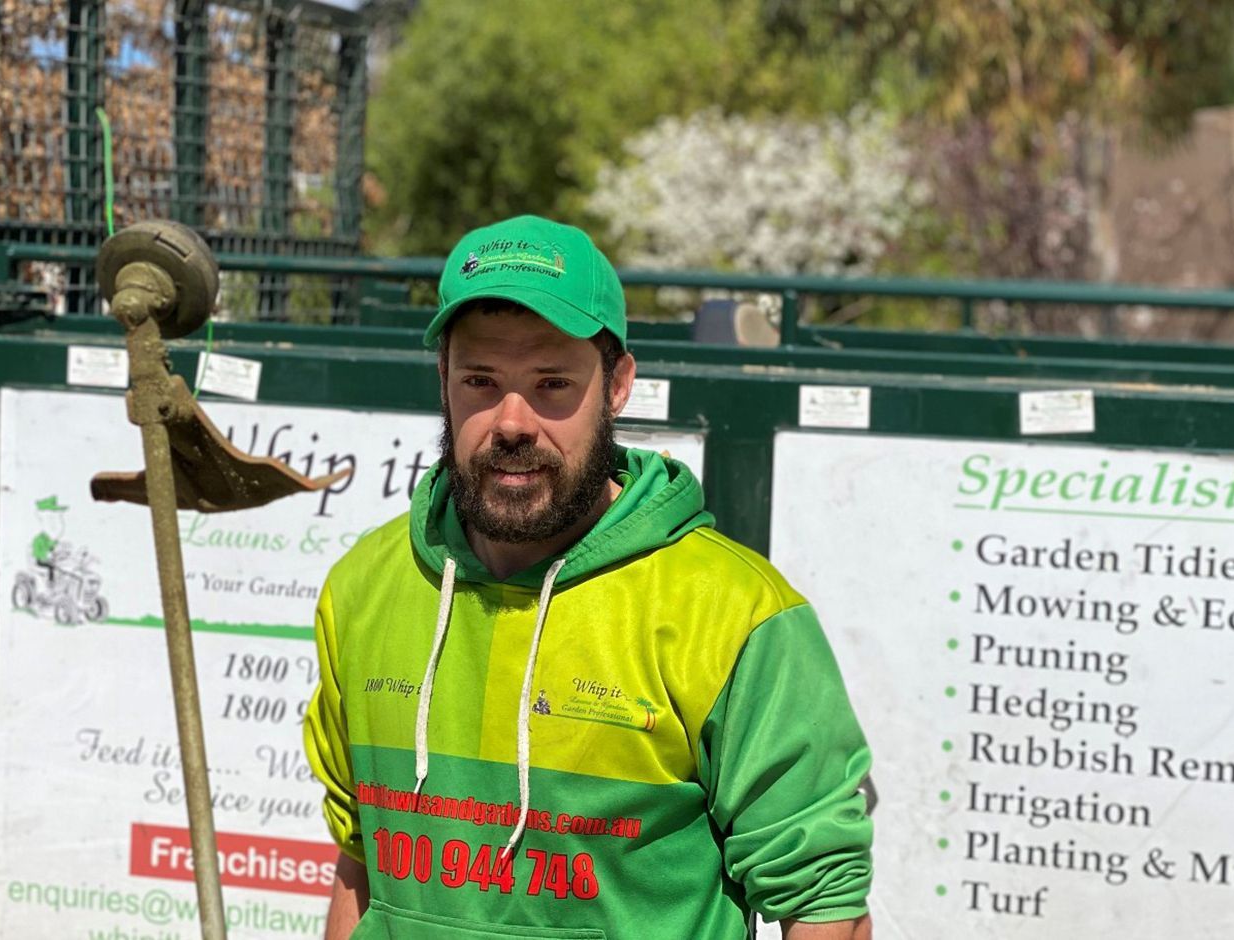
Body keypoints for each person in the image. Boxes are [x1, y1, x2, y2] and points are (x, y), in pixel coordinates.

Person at [302, 215, 874, 938]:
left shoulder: (735, 614)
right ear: (442, 380)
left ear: (618, 386)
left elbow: (824, 906)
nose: (512, 421)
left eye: (552, 383)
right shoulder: (366, 587)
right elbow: (360, 863)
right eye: (481, 380)